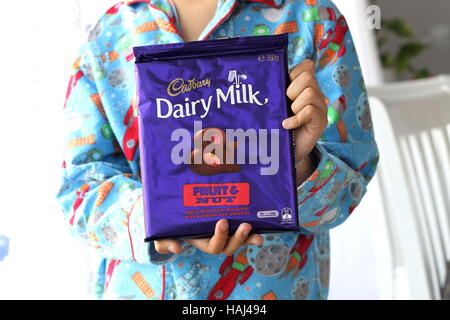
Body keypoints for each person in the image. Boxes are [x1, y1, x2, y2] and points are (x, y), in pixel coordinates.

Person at [56, 0, 379, 300]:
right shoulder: (107, 34)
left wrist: (295, 160)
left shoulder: (313, 18)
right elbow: (80, 191)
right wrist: (161, 219)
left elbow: (346, 194)